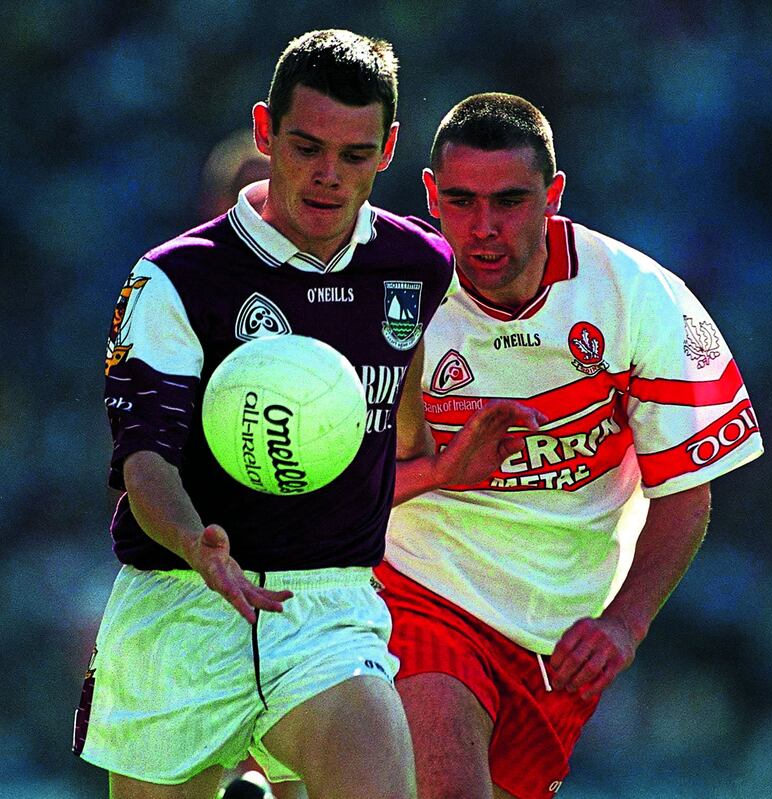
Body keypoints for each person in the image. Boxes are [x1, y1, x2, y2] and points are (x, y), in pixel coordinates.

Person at [73, 31, 525, 799]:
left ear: (386, 150)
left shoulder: (419, 267)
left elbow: (394, 434)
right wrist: (196, 541)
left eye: (353, 155)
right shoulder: (176, 278)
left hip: (327, 606)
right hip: (181, 605)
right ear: (264, 131)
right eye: (306, 146)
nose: (327, 174)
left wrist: (444, 468)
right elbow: (144, 462)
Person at [374, 93, 764, 799]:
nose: (484, 227)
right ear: (430, 194)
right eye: (460, 201)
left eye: (510, 201)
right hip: (420, 587)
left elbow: (685, 492)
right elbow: (346, 480)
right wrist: (438, 467)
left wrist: (624, 622)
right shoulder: (396, 293)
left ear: (553, 194)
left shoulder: (638, 297)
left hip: (556, 639)